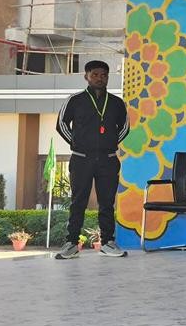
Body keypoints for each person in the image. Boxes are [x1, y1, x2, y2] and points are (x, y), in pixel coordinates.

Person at [54, 60, 129, 259]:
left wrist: (109, 143)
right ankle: (71, 243)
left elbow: (125, 127)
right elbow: (61, 124)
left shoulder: (116, 103)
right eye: (95, 74)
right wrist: (77, 144)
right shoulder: (75, 100)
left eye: (103, 75)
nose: (99, 78)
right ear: (86, 76)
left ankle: (107, 243)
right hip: (81, 158)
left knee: (107, 203)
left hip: (108, 159)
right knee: (78, 202)